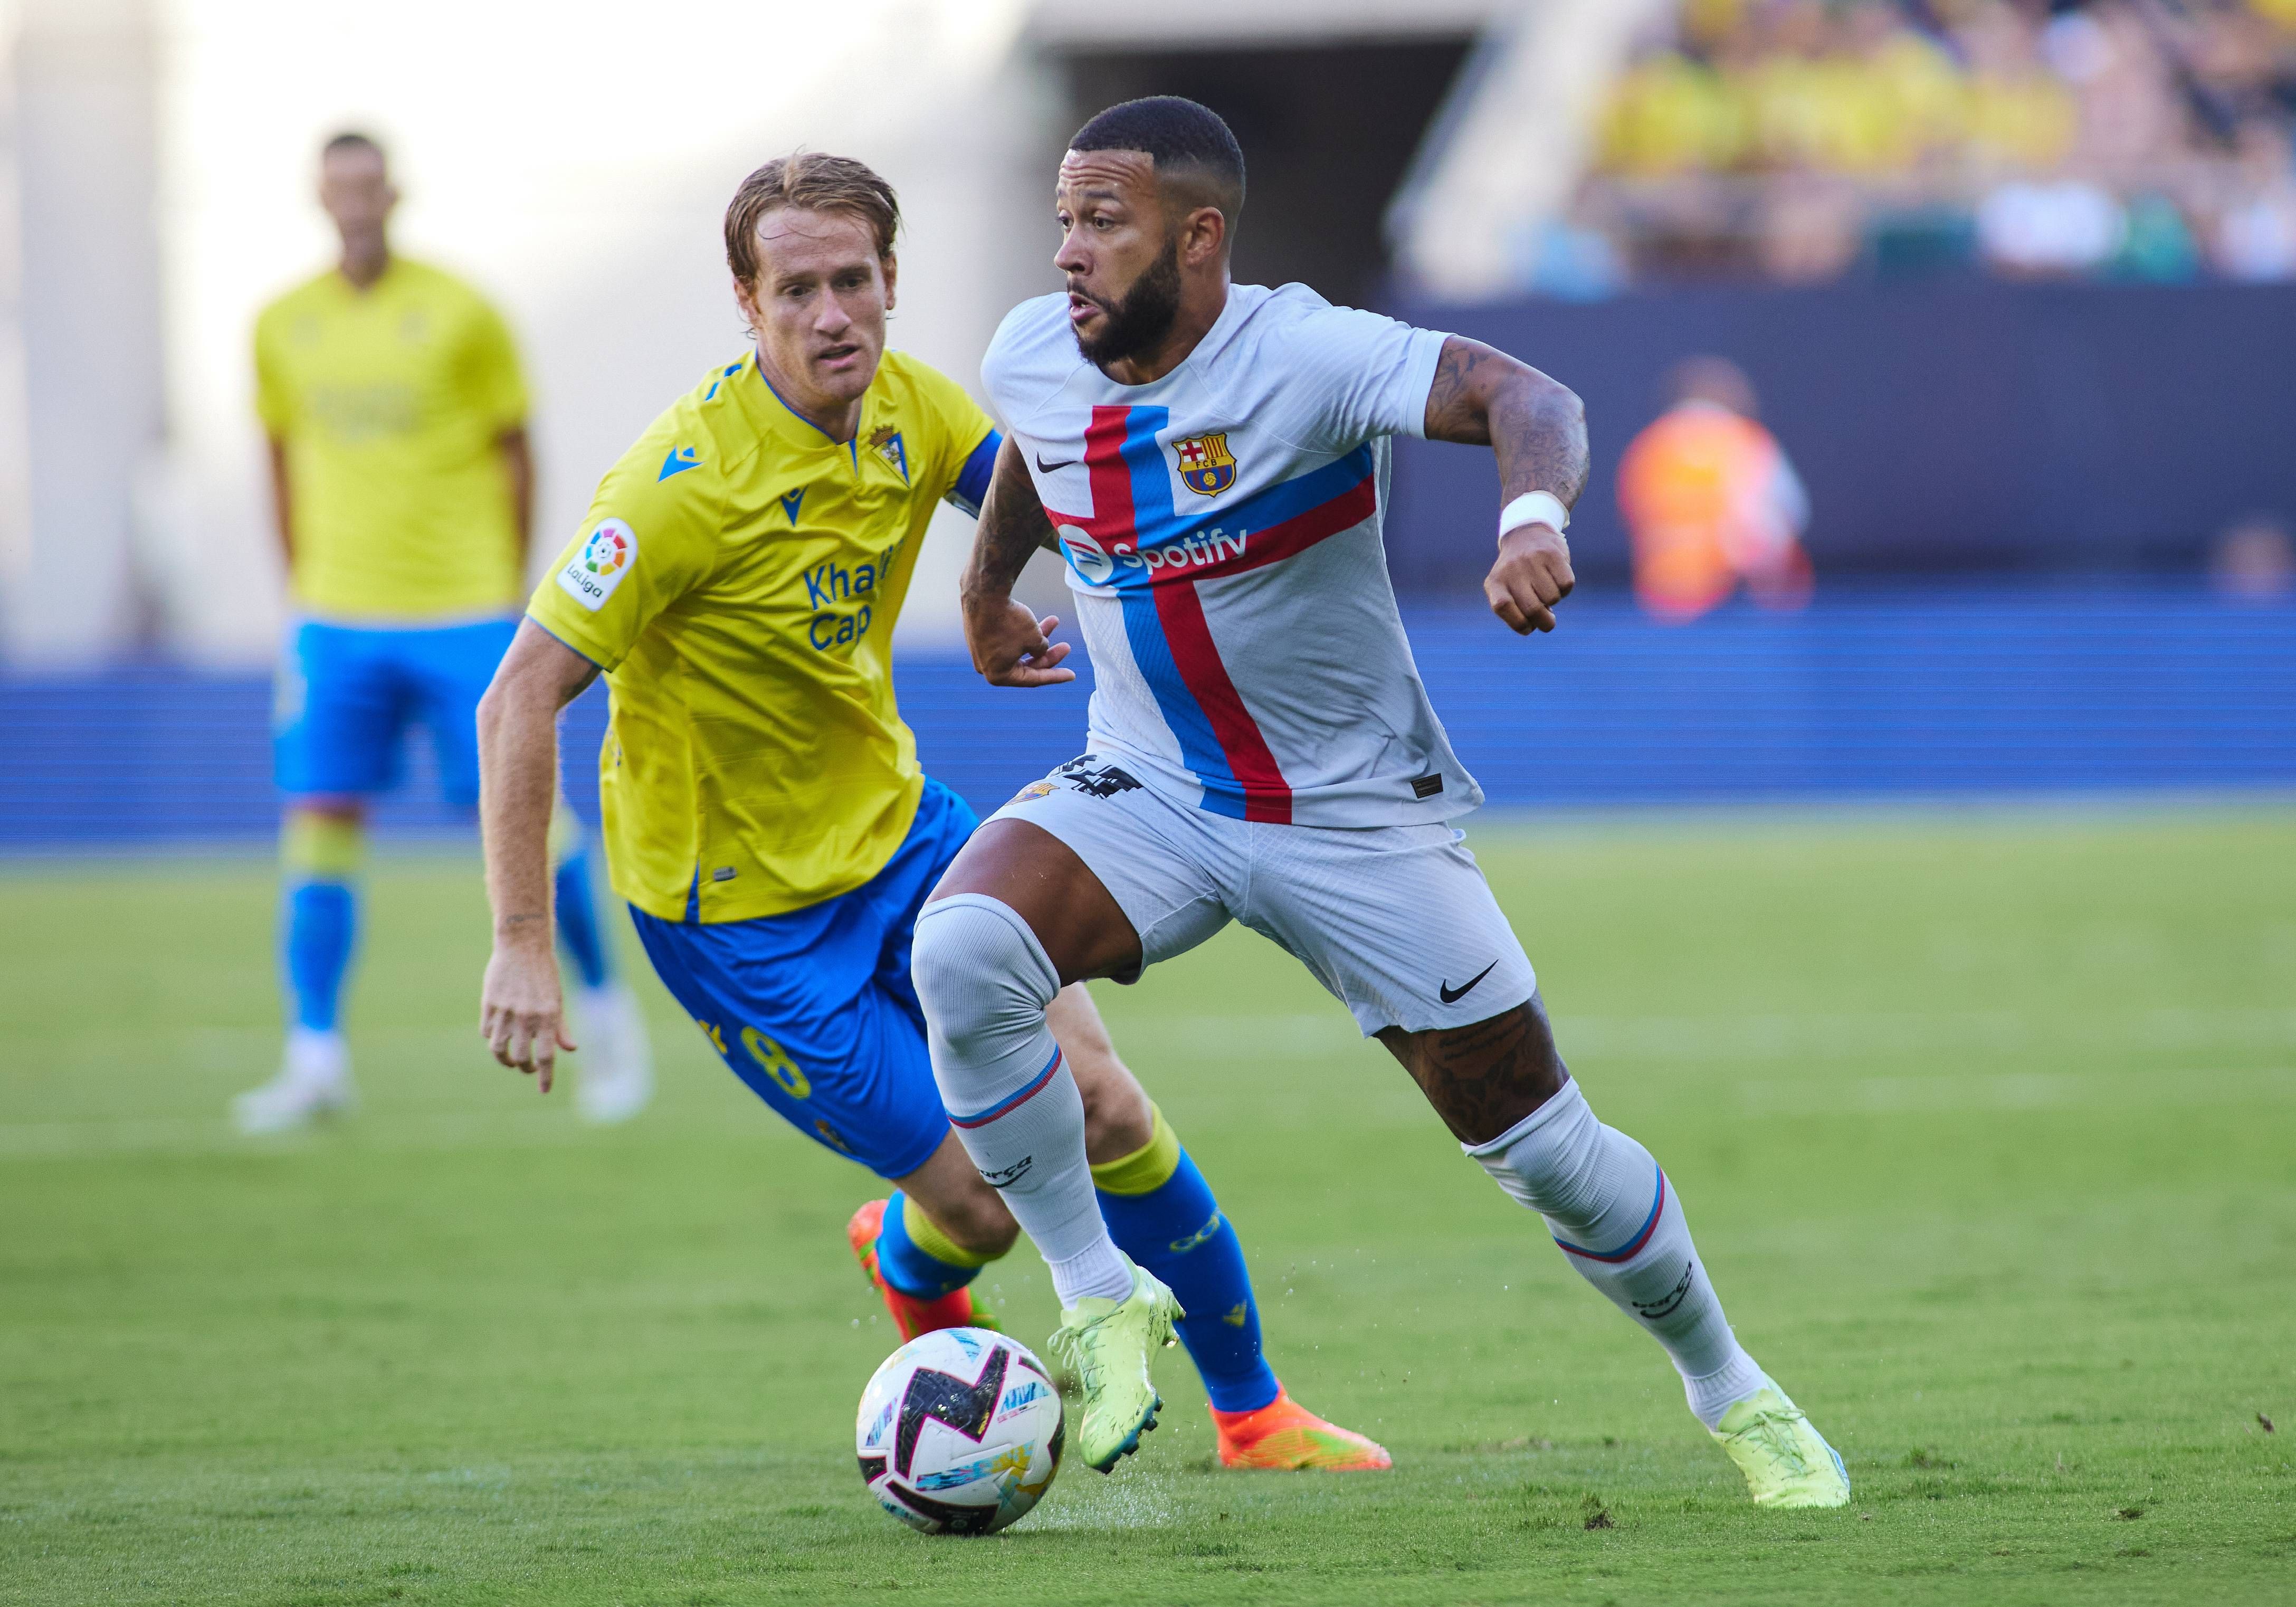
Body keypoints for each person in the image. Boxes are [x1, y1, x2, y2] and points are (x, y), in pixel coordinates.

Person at [921, 95, 1850, 1506]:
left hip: (1353, 816)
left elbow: (1532, 401)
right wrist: (989, 592)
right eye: (1062, 220)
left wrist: (1529, 519)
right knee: (962, 949)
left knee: (1546, 1152)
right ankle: (1099, 1292)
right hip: (1150, 785)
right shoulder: (1032, 352)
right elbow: (1035, 455)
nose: (1067, 251)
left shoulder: (1303, 355)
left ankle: (1731, 1386)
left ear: (1197, 236)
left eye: (1101, 221)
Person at [473, 151, 1387, 1476]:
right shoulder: (677, 486)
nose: (832, 314)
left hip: (906, 839)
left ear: (892, 278)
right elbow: (519, 698)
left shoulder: (915, 407)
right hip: (741, 920)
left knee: (1103, 1107)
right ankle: (910, 1259)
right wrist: (520, 938)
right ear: (748, 302)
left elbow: (1060, 511)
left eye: (853, 280)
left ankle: (1253, 1416)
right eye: (797, 290)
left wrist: (1019, 587)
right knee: (982, 1207)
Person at [237, 132, 649, 1134]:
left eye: (368, 185)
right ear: (318, 197)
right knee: (319, 824)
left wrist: (507, 589)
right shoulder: (280, 324)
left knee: (530, 820)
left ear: (394, 193)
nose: (355, 202)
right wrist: (301, 589)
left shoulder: (465, 311)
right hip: (336, 617)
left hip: (463, 609)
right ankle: (314, 1057)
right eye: (338, 187)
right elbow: (279, 457)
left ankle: (606, 1017)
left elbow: (517, 451)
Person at [1616, 356, 1812, 622]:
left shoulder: (1650, 443)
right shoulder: (1744, 438)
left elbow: (1635, 510)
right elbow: (1781, 511)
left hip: (1669, 593)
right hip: (1742, 592)